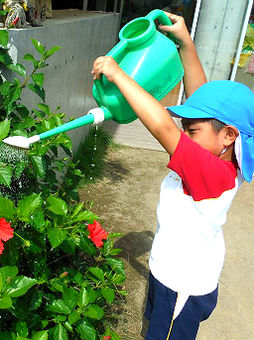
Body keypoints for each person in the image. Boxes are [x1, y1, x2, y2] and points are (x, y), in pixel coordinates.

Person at [91, 11, 254, 340]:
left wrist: (119, 73)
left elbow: (162, 126)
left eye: (191, 130)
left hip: (182, 285)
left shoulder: (212, 173)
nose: (184, 132)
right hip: (168, 269)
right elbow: (203, 100)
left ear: (230, 136)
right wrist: (185, 42)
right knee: (152, 325)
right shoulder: (221, 153)